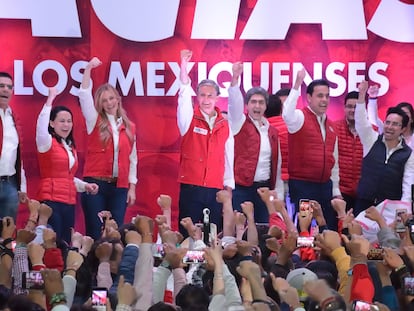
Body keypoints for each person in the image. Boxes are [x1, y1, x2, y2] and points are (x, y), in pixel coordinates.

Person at [78, 57, 138, 240]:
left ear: (118, 99)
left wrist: (132, 187)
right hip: (96, 185)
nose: (109, 103)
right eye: (104, 101)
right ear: (100, 104)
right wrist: (88, 69)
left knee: (115, 234)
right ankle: (92, 268)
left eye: (111, 98)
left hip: (119, 187)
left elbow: (133, 159)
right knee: (96, 234)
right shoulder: (93, 121)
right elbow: (84, 95)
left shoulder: (130, 127)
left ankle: (113, 268)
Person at [177, 49, 234, 234]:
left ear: (217, 98)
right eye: (202, 95)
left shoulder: (225, 124)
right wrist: (183, 66)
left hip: (215, 189)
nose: (206, 99)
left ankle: (212, 263)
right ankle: (184, 264)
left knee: (212, 236)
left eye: (210, 95)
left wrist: (228, 187)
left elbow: (228, 157)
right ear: (197, 97)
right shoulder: (187, 119)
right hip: (191, 187)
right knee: (188, 235)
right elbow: (183, 94)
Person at [36, 87, 99, 243]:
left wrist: (85, 186)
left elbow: (67, 177)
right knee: (51, 243)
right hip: (51, 201)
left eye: (69, 121)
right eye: (62, 121)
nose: (66, 125)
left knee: (65, 243)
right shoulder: (46, 142)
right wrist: (50, 99)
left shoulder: (70, 147)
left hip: (69, 203)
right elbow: (40, 126)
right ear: (51, 123)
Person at [282, 69, 340, 230]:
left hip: (325, 186)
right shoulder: (299, 117)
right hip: (303, 186)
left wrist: (336, 189)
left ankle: (327, 255)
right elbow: (287, 114)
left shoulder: (331, 125)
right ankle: (303, 255)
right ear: (308, 98)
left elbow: (333, 160)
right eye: (320, 96)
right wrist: (296, 85)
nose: (324, 100)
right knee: (304, 228)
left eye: (327, 96)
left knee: (327, 227)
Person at [227, 62, 283, 223]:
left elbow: (276, 164)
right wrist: (235, 78)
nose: (257, 106)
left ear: (266, 106)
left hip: (265, 189)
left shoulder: (272, 131)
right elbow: (234, 104)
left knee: (265, 230)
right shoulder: (239, 123)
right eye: (253, 102)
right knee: (241, 232)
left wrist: (276, 192)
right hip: (242, 189)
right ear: (247, 105)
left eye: (261, 102)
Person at [354, 80, 414, 216]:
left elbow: (408, 184)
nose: (389, 127)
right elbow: (361, 122)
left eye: (395, 124)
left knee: (385, 238)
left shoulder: (408, 153)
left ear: (403, 129)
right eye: (387, 122)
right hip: (364, 204)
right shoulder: (372, 140)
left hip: (389, 209)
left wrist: (404, 211)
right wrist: (362, 95)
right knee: (357, 237)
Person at [0, 72, 27, 220]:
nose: (5, 90)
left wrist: (22, 187)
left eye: (9, 87)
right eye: (1, 86)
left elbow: (19, 155)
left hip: (10, 184)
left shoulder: (14, 118)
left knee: (8, 234)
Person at [334, 91, 365, 211]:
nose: (352, 110)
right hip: (340, 192)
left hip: (363, 194)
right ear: (344, 108)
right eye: (349, 106)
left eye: (356, 107)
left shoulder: (371, 131)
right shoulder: (334, 128)